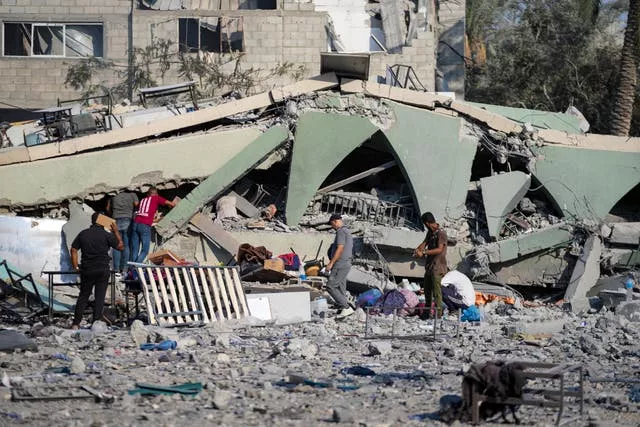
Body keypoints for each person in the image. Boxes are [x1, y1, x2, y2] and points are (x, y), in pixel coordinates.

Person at [70, 212, 124, 329]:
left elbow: (73, 249)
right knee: (100, 297)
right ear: (102, 221)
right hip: (102, 269)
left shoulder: (83, 234)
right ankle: (95, 322)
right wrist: (115, 231)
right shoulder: (106, 235)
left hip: (87, 269)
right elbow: (121, 247)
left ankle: (76, 323)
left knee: (83, 296)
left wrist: (75, 266)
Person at [413, 212, 448, 318]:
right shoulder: (430, 233)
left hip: (438, 267)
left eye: (425, 224)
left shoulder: (441, 234)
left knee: (437, 292)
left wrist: (424, 252)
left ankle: (439, 314)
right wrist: (418, 249)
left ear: (427, 223)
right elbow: (425, 242)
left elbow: (439, 249)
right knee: (427, 291)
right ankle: (426, 313)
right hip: (429, 267)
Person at [130, 187, 176, 263]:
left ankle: (131, 269)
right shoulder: (156, 198)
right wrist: (172, 205)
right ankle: (135, 267)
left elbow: (143, 212)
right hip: (144, 225)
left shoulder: (142, 200)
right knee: (145, 250)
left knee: (135, 249)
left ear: (148, 194)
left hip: (135, 223)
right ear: (156, 194)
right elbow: (172, 204)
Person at [324, 214, 355, 319]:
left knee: (330, 286)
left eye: (332, 224)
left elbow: (340, 248)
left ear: (335, 221)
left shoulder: (341, 231)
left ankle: (346, 307)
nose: (332, 227)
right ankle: (342, 306)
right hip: (346, 263)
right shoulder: (347, 231)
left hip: (340, 264)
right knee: (341, 286)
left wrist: (331, 263)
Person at [106, 190, 139, 276]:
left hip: (115, 220)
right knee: (126, 246)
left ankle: (116, 270)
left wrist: (112, 214)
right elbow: (137, 204)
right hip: (127, 219)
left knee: (117, 245)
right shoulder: (132, 194)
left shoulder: (113, 195)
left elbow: (107, 208)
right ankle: (125, 270)